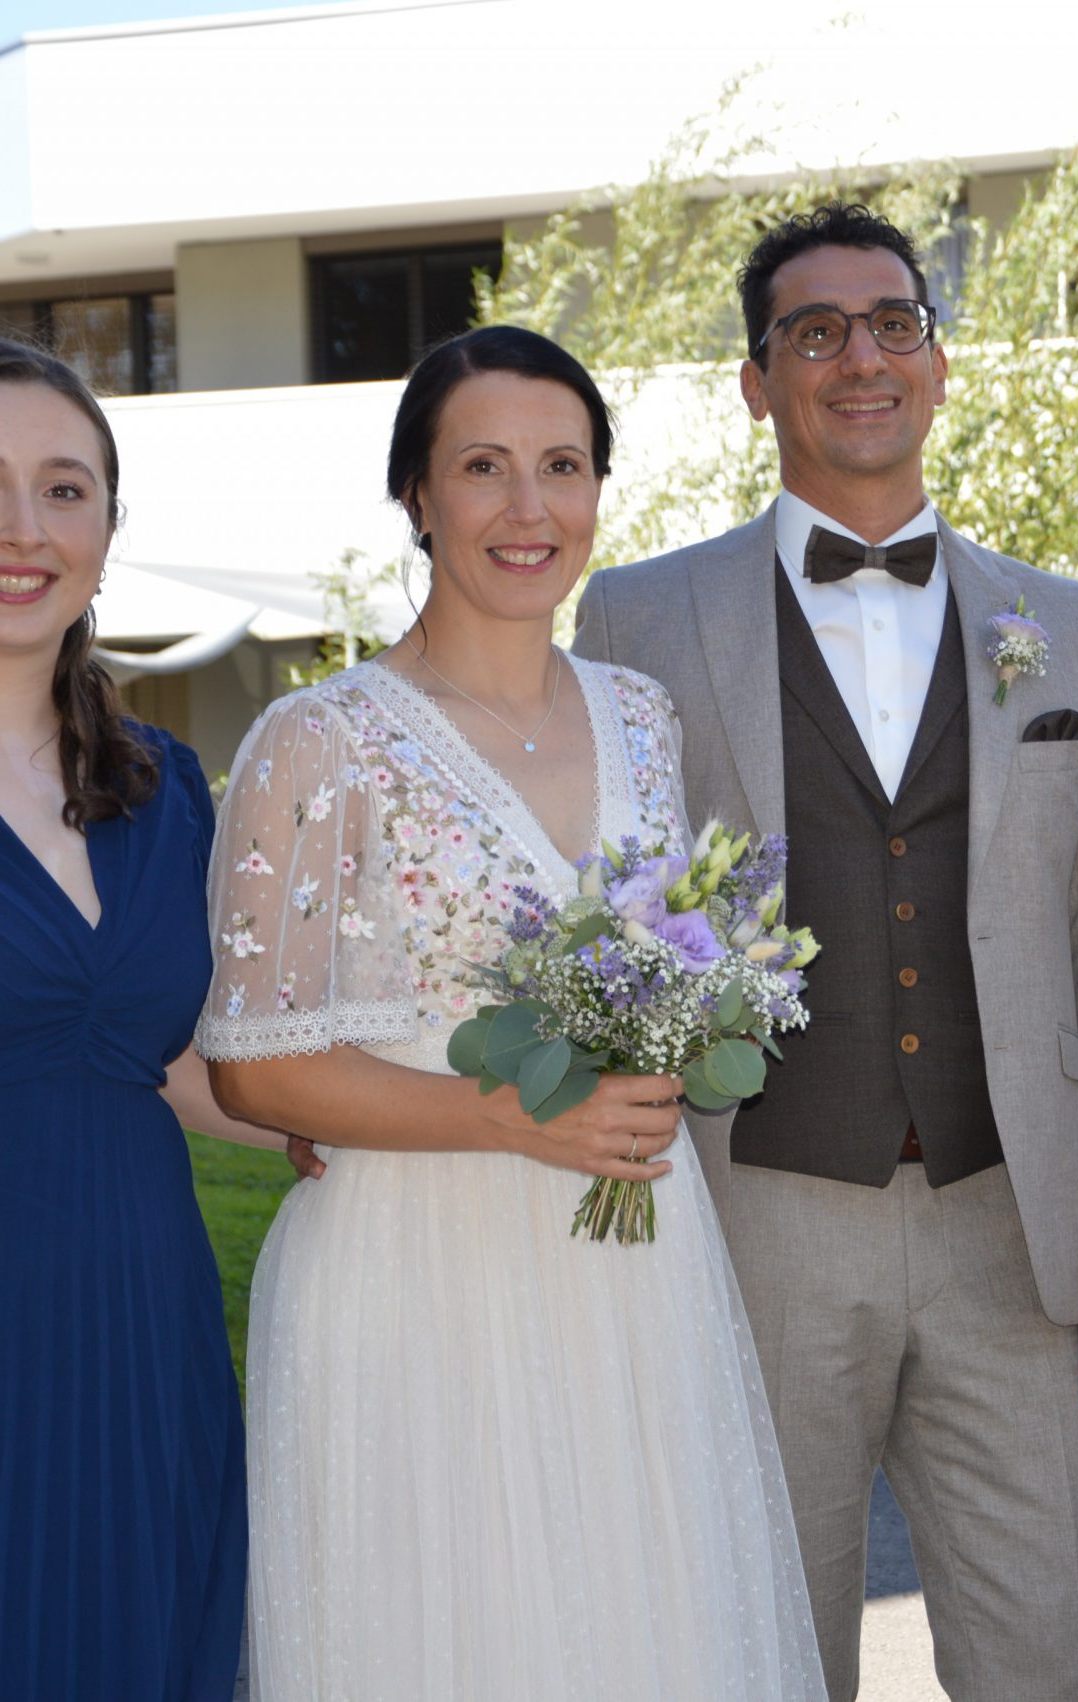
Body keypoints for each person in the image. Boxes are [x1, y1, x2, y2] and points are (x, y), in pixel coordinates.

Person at [573, 203, 1078, 1701]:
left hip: (1010, 1222)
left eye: (893, 323)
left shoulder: (1060, 622)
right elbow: (591, 889)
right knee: (769, 1652)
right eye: (815, 331)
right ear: (756, 380)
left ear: (937, 359)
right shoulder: (641, 614)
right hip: (761, 1218)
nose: (862, 357)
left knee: (1046, 1653)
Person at [200, 326, 823, 1700]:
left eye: (562, 466)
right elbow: (254, 1065)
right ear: (417, 496)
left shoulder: (641, 716)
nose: (528, 508)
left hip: (628, 1273)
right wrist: (505, 1113)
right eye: (482, 467)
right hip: (411, 1279)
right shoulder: (317, 738)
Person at [0, 339, 276, 1700]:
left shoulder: (164, 784)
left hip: (143, 1313)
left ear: (107, 530)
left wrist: (410, 1132)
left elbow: (180, 1058)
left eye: (63, 489)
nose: (23, 529)